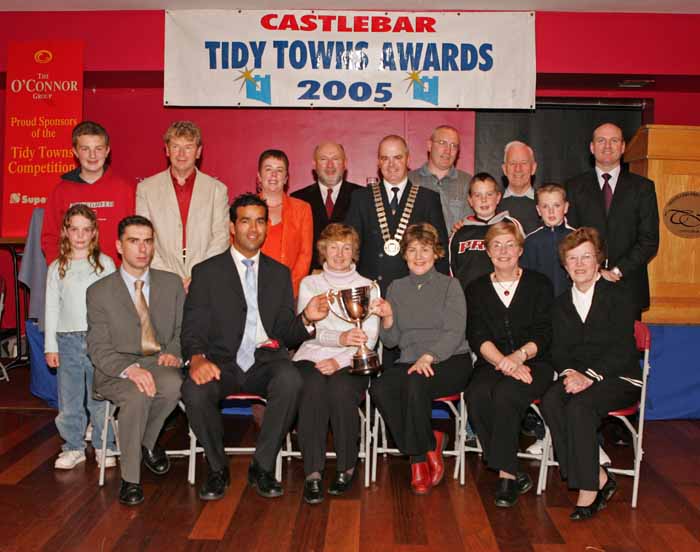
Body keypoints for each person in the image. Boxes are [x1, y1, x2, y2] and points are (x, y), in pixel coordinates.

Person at [180, 193, 329, 502]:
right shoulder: (207, 272)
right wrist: (195, 358)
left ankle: (262, 466)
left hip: (265, 360)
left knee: (291, 379)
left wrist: (307, 319)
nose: (253, 228)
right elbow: (192, 324)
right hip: (223, 362)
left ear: (267, 227)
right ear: (232, 226)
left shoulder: (279, 273)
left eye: (260, 221)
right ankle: (217, 468)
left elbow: (286, 332)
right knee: (194, 391)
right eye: (245, 220)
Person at [541, 227, 642, 520]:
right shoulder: (560, 304)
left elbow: (624, 349)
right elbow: (558, 350)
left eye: (586, 256)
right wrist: (571, 372)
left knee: (581, 406)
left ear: (598, 259)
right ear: (565, 264)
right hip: (578, 375)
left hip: (619, 377)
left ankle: (589, 490)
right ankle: (597, 475)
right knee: (551, 400)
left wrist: (590, 376)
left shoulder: (620, 295)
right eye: (573, 259)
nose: (580, 264)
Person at [87, 216, 185, 506]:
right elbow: (98, 346)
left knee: (173, 385)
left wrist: (175, 352)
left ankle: (145, 442)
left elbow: (182, 330)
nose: (142, 249)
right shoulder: (99, 291)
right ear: (119, 246)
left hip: (159, 358)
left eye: (148, 241)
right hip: (116, 368)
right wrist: (129, 370)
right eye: (134, 241)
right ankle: (131, 479)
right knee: (137, 395)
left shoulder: (171, 283)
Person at [369, 223, 473, 495]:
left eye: (424, 249)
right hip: (410, 360)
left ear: (436, 253)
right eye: (412, 250)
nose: (418, 256)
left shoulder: (451, 285)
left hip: (450, 359)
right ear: (404, 255)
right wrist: (388, 316)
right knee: (381, 387)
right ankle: (429, 443)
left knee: (415, 383)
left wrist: (430, 356)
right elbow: (391, 342)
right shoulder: (396, 287)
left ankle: (417, 463)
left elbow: (455, 331)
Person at [465, 221, 554, 507]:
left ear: (520, 250)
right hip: (492, 360)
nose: (503, 251)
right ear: (488, 252)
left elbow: (545, 331)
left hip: (534, 362)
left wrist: (518, 358)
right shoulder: (477, 288)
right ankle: (513, 467)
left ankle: (506, 475)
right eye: (496, 245)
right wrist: (504, 361)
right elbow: (476, 334)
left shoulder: (540, 283)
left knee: (506, 394)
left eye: (510, 245)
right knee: (476, 394)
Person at [292, 223, 379, 504]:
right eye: (333, 247)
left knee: (341, 392)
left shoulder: (369, 286)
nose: (340, 254)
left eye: (346, 248)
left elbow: (371, 336)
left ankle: (346, 467)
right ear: (323, 251)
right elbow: (309, 330)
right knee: (312, 390)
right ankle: (313, 473)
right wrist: (340, 339)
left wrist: (339, 358)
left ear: (354, 252)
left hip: (351, 361)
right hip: (310, 355)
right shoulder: (309, 284)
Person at [45, 204, 116, 470]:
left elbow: (113, 304)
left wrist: (112, 342)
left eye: (86, 230)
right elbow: (51, 308)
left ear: (94, 233)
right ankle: (73, 446)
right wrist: (51, 346)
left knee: (99, 396)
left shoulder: (104, 264)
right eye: (74, 229)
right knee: (70, 398)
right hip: (67, 341)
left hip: (97, 339)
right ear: (66, 231)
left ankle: (103, 444)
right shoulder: (57, 268)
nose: (80, 235)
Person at [565, 122, 659, 320]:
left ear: (623, 147)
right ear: (592, 147)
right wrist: (597, 271)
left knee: (626, 350)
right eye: (601, 140)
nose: (607, 146)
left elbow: (649, 240)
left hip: (628, 287)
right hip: (586, 285)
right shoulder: (573, 187)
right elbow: (570, 237)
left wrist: (617, 271)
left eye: (614, 140)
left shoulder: (643, 188)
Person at [344, 135, 448, 296]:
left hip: (415, 291)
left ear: (408, 159)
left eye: (397, 157)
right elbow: (349, 247)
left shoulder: (427, 198)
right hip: (371, 290)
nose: (391, 164)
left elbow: (440, 250)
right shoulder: (361, 198)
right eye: (385, 158)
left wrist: (440, 291)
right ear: (378, 162)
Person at [136, 121, 229, 291]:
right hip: (160, 279)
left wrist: (199, 274)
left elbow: (221, 238)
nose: (181, 153)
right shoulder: (146, 189)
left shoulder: (217, 189)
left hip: (206, 280)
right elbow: (144, 238)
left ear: (198, 151)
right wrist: (170, 277)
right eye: (175, 146)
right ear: (167, 149)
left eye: (188, 147)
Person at [42, 121, 135, 264]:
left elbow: (135, 235)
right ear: (75, 151)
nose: (92, 155)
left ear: (107, 150)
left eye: (98, 148)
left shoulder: (125, 189)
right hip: (73, 274)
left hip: (116, 276)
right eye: (85, 149)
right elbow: (50, 237)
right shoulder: (61, 191)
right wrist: (60, 269)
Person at [291, 142, 361, 272]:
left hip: (351, 277)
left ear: (345, 163)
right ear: (314, 165)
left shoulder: (361, 196)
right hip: (311, 279)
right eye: (323, 159)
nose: (330, 165)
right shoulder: (297, 199)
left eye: (335, 159)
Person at [450, 172, 522, 292]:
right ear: (470, 200)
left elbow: (523, 261)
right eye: (477, 195)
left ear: (498, 198)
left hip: (506, 294)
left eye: (489, 194)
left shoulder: (511, 226)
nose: (484, 200)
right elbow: (452, 269)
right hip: (469, 298)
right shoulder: (460, 232)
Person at [256, 149, 313, 296]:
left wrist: (288, 288)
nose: (274, 175)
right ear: (259, 176)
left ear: (286, 178)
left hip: (289, 292)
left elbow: (305, 255)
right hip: (252, 290)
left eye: (279, 170)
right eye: (268, 169)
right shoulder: (244, 208)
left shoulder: (302, 209)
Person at [408, 125, 473, 232]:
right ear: (429, 145)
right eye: (442, 143)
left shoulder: (468, 182)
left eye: (454, 145)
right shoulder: (409, 181)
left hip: (455, 248)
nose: (448, 150)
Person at [521, 183, 576, 298]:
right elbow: (526, 281)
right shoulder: (530, 241)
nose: (551, 211)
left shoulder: (577, 238)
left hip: (571, 304)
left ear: (566, 207)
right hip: (541, 305)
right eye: (545, 206)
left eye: (556, 205)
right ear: (538, 210)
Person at [498, 141, 541, 234]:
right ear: (504, 169)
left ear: (533, 168)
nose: (518, 169)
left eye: (524, 163)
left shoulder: (545, 203)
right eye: (512, 163)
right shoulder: (493, 203)